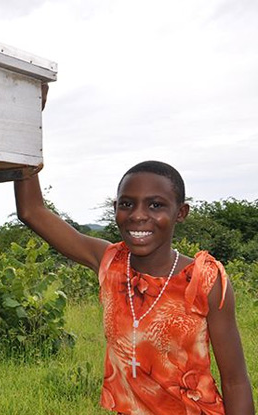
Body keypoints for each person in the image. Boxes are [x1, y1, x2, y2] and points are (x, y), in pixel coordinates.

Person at [13, 85, 254, 414]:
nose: (139, 215)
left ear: (180, 212)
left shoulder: (205, 280)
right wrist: (25, 125)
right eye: (127, 204)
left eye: (156, 204)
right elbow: (32, 212)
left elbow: (236, 380)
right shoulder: (110, 262)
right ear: (116, 209)